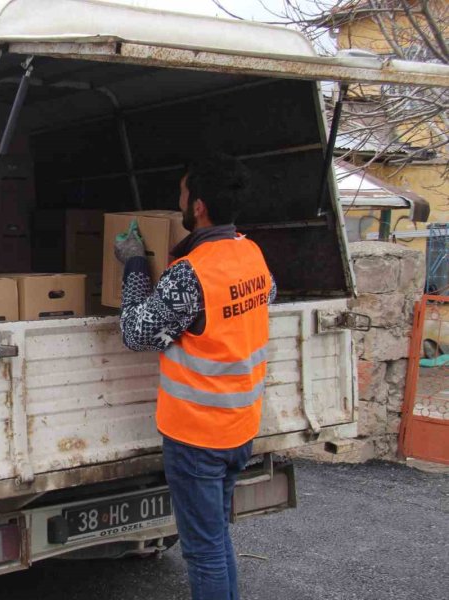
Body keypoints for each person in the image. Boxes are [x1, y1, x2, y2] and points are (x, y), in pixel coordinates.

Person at [114, 154, 276, 600]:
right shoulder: (251, 252)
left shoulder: (191, 272)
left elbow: (135, 332)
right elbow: (265, 296)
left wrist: (132, 265)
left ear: (199, 206)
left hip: (197, 436)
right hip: (240, 428)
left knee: (203, 552)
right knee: (217, 539)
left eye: (183, 195)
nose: (179, 201)